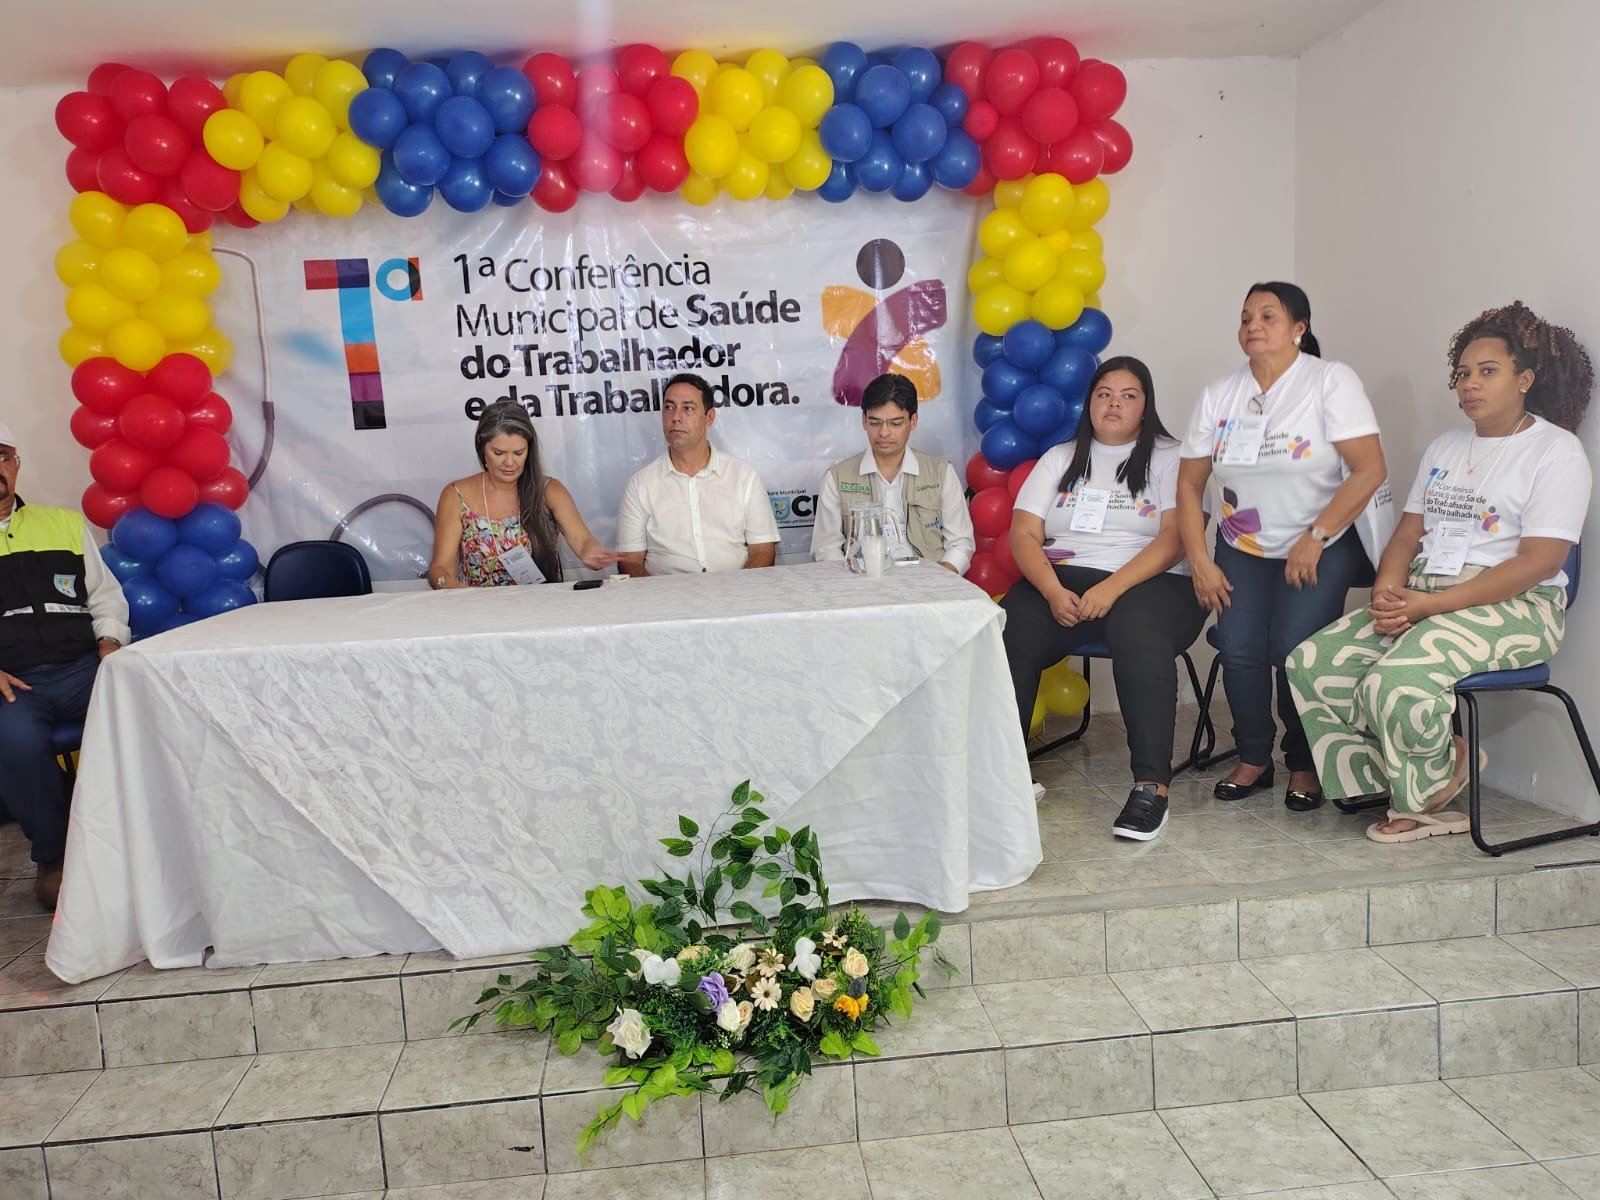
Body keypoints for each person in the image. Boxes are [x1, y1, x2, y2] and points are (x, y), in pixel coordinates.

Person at [1288, 302, 1593, 841]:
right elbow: (1407, 536)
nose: (1469, 384)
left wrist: (1429, 606)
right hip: (1423, 593)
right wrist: (1387, 593)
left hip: (1517, 607)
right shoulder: (1445, 447)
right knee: (1312, 662)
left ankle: (1419, 800)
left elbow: (1540, 561)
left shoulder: (1557, 452)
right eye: (1463, 374)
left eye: (1487, 371)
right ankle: (1412, 770)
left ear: (1525, 378)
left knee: (1396, 680)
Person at [1176, 282, 1388, 812]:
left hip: (1322, 541)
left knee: (1295, 651)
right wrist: (1199, 560)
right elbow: (1188, 484)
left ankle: (1304, 761)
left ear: (1299, 328)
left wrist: (1315, 538)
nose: (1253, 325)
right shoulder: (1220, 393)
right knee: (1240, 646)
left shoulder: (1329, 381)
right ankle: (1253, 756)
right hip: (1240, 542)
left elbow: (1370, 469)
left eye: (1269, 316)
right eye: (1246, 316)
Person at [1002, 357, 1205, 841]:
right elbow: (1023, 534)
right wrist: (1052, 590)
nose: (1114, 403)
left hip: (1154, 582)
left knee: (1139, 629)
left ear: (1146, 404)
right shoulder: (1061, 457)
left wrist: (1111, 588)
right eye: (1104, 393)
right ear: (1089, 402)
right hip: (1067, 580)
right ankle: (1001, 776)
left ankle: (1151, 786)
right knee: (1009, 624)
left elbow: (1176, 538)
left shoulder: (1171, 456)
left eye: (1128, 394)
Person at [0, 421, 130, 909]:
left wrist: (110, 645)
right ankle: (54, 857)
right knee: (15, 741)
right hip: (15, 684)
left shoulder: (64, 523)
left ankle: (146, 838)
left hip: (82, 668)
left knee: (147, 702)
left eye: (2, 457)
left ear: (15, 465)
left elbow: (106, 598)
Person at [428, 401, 616, 589]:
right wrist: (454, 588)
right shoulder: (456, 495)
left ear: (529, 450)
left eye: (518, 453)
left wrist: (591, 552)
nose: (510, 462)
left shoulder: (549, 491)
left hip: (540, 608)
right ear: (482, 449)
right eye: (498, 453)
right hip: (478, 611)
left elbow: (582, 540)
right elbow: (440, 568)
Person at [616, 373, 781, 576]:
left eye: (688, 408)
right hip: (667, 600)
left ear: (709, 417)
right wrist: (660, 602)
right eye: (668, 407)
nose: (676, 417)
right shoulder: (641, 484)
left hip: (736, 596)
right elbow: (629, 562)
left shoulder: (743, 476)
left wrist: (738, 594)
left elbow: (763, 550)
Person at [810, 372, 974, 573]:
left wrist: (938, 581)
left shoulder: (940, 473)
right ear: (864, 421)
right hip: (861, 585)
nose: (884, 433)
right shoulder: (837, 477)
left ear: (913, 421)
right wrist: (854, 584)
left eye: (895, 423)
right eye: (875, 422)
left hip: (928, 583)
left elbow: (960, 543)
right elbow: (826, 548)